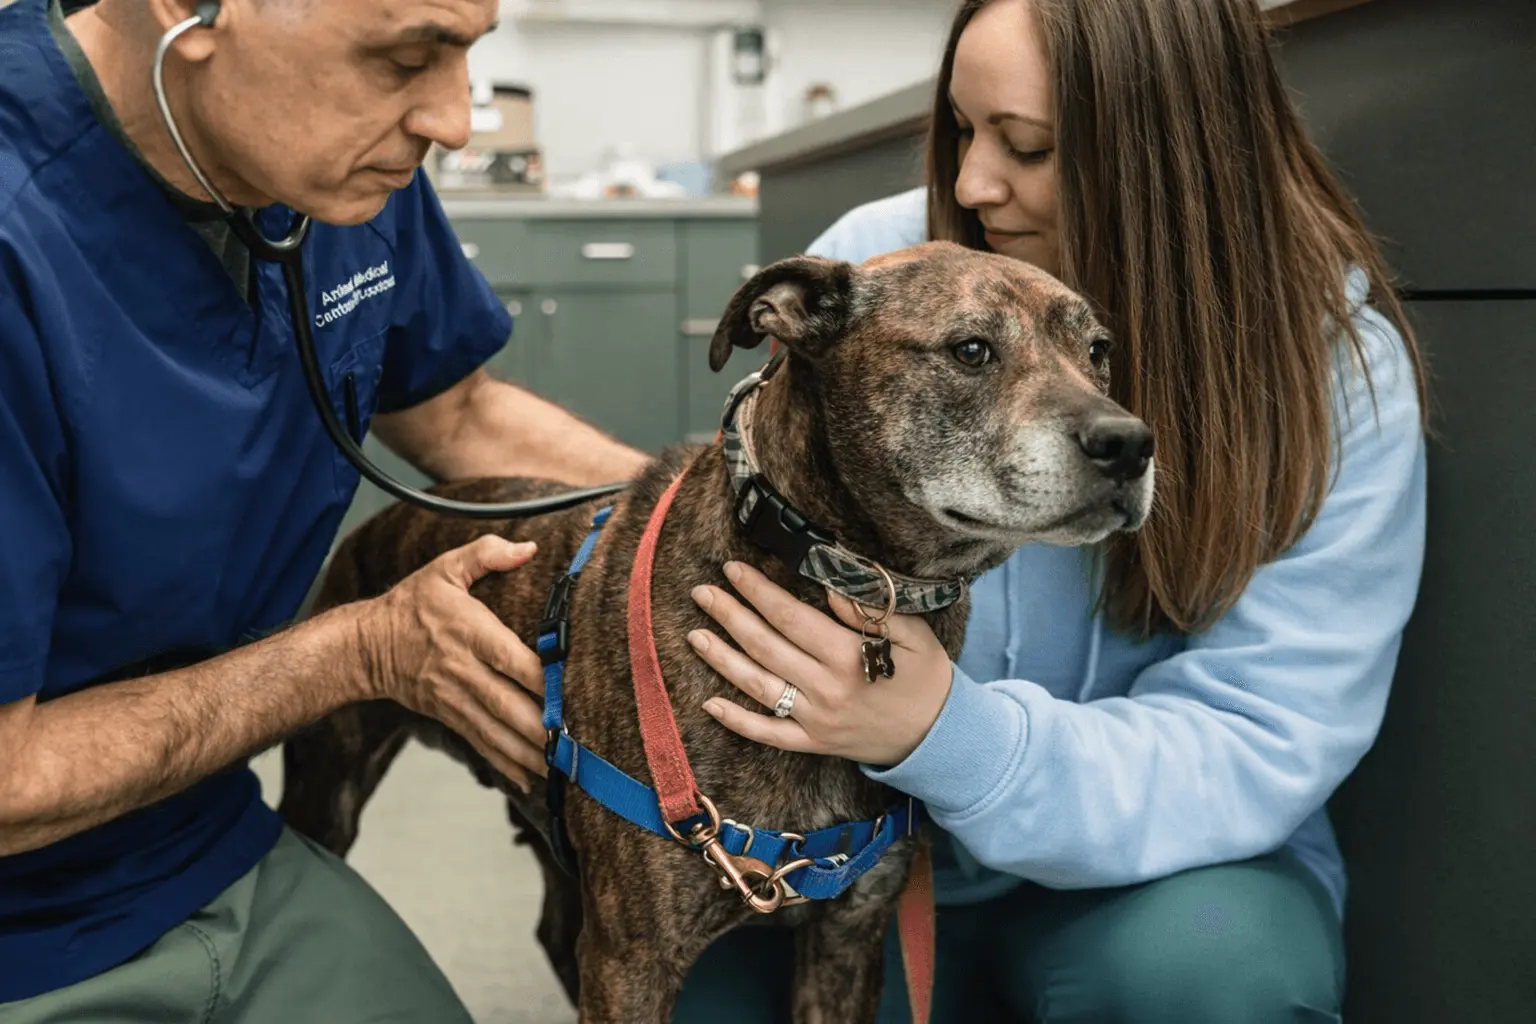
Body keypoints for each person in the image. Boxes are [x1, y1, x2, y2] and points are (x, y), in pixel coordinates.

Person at [673, 1, 1428, 1022]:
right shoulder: (882, 265)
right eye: (963, 131)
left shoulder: (1331, 371)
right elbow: (723, 539)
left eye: (1027, 146)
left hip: (1159, 871)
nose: (976, 184)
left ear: (1175, 154)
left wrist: (951, 732)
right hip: (852, 841)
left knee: (1216, 977)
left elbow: (1264, 733)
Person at [0, 0, 648, 1018]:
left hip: (196, 836)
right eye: (407, 56)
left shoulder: (328, 168)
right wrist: (355, 654)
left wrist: (714, 513)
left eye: (468, 54)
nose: (455, 120)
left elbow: (459, 412)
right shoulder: (18, 239)